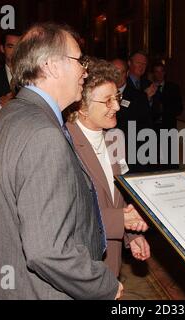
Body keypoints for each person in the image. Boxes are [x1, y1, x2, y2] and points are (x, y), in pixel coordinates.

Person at [0, 23, 122, 300]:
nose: (84, 70)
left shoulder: (11, 114)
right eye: (78, 60)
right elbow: (47, 251)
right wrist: (103, 285)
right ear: (52, 66)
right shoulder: (44, 134)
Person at [66, 58, 150, 277]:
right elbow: (68, 215)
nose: (116, 106)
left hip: (110, 260)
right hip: (82, 266)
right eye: (107, 100)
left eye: (117, 97)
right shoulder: (64, 144)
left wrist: (132, 236)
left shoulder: (113, 139)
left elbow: (118, 198)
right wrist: (120, 220)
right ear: (82, 107)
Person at [112, 58, 153, 173]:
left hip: (131, 155)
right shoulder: (101, 95)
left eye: (121, 72)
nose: (117, 76)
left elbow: (146, 128)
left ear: (127, 73)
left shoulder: (139, 97)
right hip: (108, 150)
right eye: (114, 72)